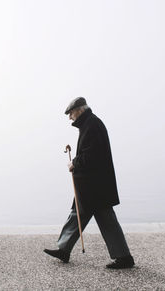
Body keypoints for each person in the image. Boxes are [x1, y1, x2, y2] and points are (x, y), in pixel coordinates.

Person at [44, 97, 134, 269]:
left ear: (80, 110)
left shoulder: (92, 125)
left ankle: (124, 258)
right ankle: (64, 249)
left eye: (71, 113)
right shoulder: (90, 124)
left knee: (93, 217)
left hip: (95, 186)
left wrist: (74, 163)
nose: (70, 117)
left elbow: (92, 155)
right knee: (78, 214)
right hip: (93, 185)